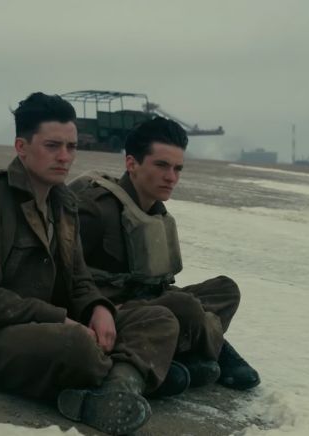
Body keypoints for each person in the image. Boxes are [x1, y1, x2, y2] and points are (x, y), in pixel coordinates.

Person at [0, 93, 181, 435]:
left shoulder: (63, 202)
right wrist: (61, 319)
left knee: (159, 318)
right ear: (22, 146)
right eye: (52, 146)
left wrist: (97, 308)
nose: (64, 157)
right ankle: (127, 375)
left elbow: (79, 280)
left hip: (42, 327)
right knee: (77, 346)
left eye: (71, 147)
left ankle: (116, 388)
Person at [68, 116, 260, 393]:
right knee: (184, 307)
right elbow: (63, 276)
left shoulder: (156, 212)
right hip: (113, 316)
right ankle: (210, 351)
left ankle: (181, 354)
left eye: (177, 169)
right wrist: (100, 308)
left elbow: (159, 282)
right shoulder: (97, 210)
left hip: (152, 304)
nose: (171, 177)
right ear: (132, 163)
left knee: (225, 290)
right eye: (161, 166)